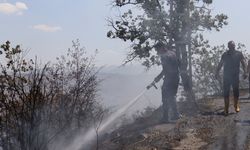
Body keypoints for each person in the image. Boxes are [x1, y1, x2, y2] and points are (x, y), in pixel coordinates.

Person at [147, 42, 180, 122]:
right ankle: (176, 115)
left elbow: (165, 70)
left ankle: (166, 118)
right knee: (172, 96)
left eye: (157, 49)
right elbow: (177, 65)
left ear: (162, 47)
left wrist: (157, 78)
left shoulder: (164, 56)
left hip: (170, 79)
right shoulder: (172, 53)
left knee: (165, 98)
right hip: (176, 78)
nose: (156, 51)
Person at [215, 41, 247, 115]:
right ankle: (226, 108)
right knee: (226, 92)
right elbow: (220, 63)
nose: (232, 47)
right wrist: (217, 72)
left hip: (235, 76)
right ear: (228, 47)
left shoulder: (239, 54)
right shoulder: (225, 54)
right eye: (230, 46)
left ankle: (236, 105)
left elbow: (243, 63)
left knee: (236, 91)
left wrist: (245, 72)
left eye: (233, 45)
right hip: (226, 76)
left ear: (235, 46)